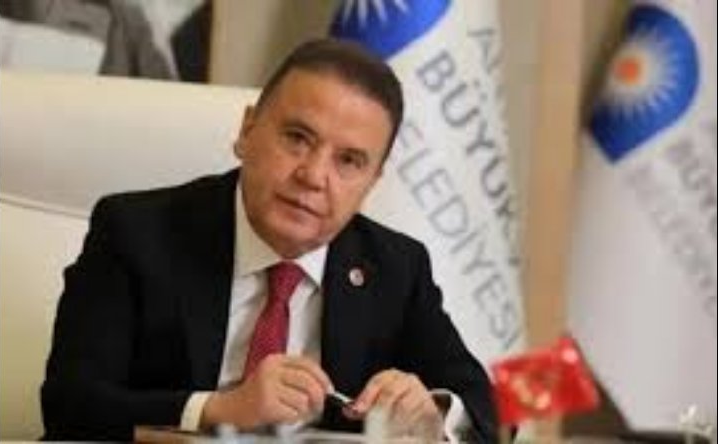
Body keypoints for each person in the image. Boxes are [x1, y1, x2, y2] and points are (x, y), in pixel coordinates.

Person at [41, 38, 498, 442]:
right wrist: (220, 410)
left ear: (372, 182)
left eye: (348, 161)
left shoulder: (396, 267)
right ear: (247, 131)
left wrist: (434, 413)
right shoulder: (137, 233)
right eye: (298, 138)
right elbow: (70, 404)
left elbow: (485, 409)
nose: (313, 176)